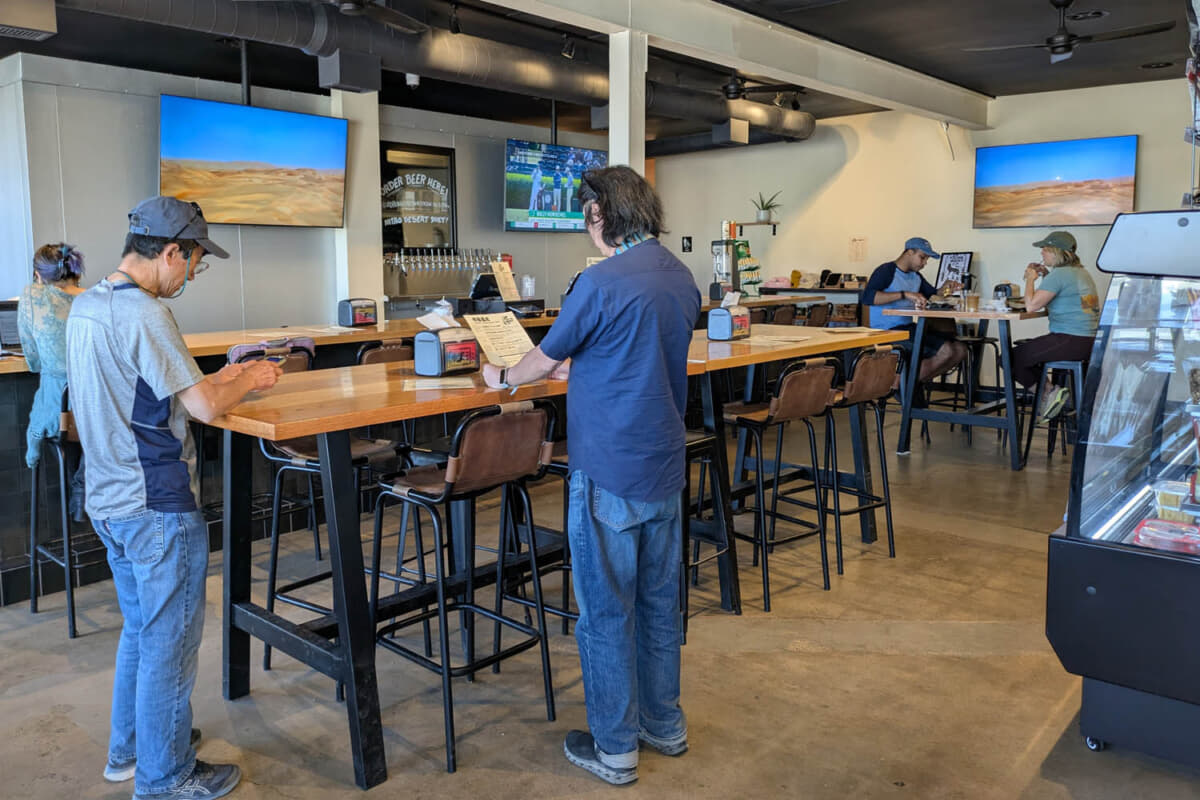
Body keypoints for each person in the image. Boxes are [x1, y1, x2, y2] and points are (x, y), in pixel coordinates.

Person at [482, 165, 700, 786]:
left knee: (605, 614)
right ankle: (664, 725)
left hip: (609, 465)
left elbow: (539, 360)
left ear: (601, 215)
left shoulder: (599, 282)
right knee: (658, 606)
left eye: (587, 217)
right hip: (664, 463)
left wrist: (502, 377)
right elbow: (636, 353)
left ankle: (615, 748)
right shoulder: (681, 276)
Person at [66, 196, 282, 800]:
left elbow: (148, 393)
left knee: (141, 630)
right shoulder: (146, 313)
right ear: (169, 252)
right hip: (156, 506)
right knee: (170, 644)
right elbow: (205, 409)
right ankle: (166, 778)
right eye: (193, 262)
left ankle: (132, 751)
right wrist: (251, 377)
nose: (191, 273)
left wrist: (225, 376)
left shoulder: (87, 306)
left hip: (108, 501)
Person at [18, 243, 86, 513]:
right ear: (75, 271)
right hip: (97, 413)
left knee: (54, 410)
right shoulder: (96, 298)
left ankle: (78, 488)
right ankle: (83, 484)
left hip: (60, 415)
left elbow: (33, 360)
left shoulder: (32, 297)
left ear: (38, 275)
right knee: (91, 434)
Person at [1013, 231, 1100, 421]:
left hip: (1070, 339)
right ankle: (1052, 395)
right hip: (1089, 341)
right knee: (1026, 355)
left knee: (1010, 358)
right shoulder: (1080, 272)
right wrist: (1046, 276)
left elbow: (1031, 306)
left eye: (1045, 249)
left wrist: (1030, 279)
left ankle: (1049, 393)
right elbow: (1065, 300)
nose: (1041, 252)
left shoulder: (1060, 274)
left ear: (1057, 252)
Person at [861, 236, 968, 383]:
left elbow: (933, 294)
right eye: (922, 257)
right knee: (947, 350)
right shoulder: (886, 271)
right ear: (909, 252)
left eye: (926, 260)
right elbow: (868, 298)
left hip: (908, 328)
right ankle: (898, 385)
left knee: (960, 350)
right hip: (886, 332)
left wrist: (945, 289)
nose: (924, 263)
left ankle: (906, 385)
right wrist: (904, 294)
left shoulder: (916, 276)